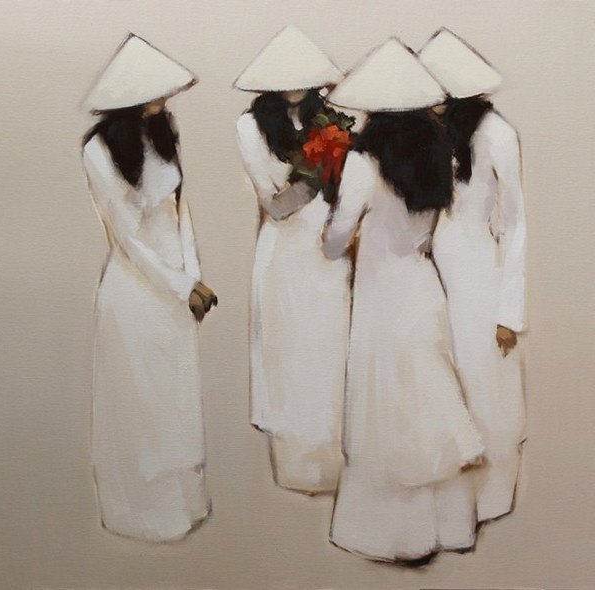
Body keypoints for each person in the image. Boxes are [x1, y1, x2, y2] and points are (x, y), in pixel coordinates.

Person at [322, 38, 484, 562]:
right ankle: (450, 527)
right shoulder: (440, 154)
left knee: (386, 408)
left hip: (381, 297)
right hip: (423, 288)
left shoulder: (363, 162)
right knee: (428, 399)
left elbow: (335, 240)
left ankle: (395, 534)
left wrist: (330, 230)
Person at [82, 34, 217, 542]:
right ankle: (139, 516)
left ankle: (184, 505)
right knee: (139, 406)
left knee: (175, 401)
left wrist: (193, 275)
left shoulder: (164, 135)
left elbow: (181, 211)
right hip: (135, 293)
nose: (166, 97)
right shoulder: (98, 151)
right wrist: (181, 284)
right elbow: (129, 238)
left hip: (177, 293)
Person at [235, 25, 351, 494]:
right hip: (284, 255)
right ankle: (294, 469)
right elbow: (274, 204)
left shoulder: (332, 121)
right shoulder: (250, 126)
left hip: (328, 253)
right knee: (288, 355)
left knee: (329, 351)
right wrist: (317, 170)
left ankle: (335, 467)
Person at [420, 28, 527, 523]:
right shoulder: (431, 136)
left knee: (487, 386)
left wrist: (510, 311)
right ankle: (453, 506)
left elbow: (516, 224)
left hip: (481, 277)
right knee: (445, 385)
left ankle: (494, 498)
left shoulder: (498, 135)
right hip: (433, 275)